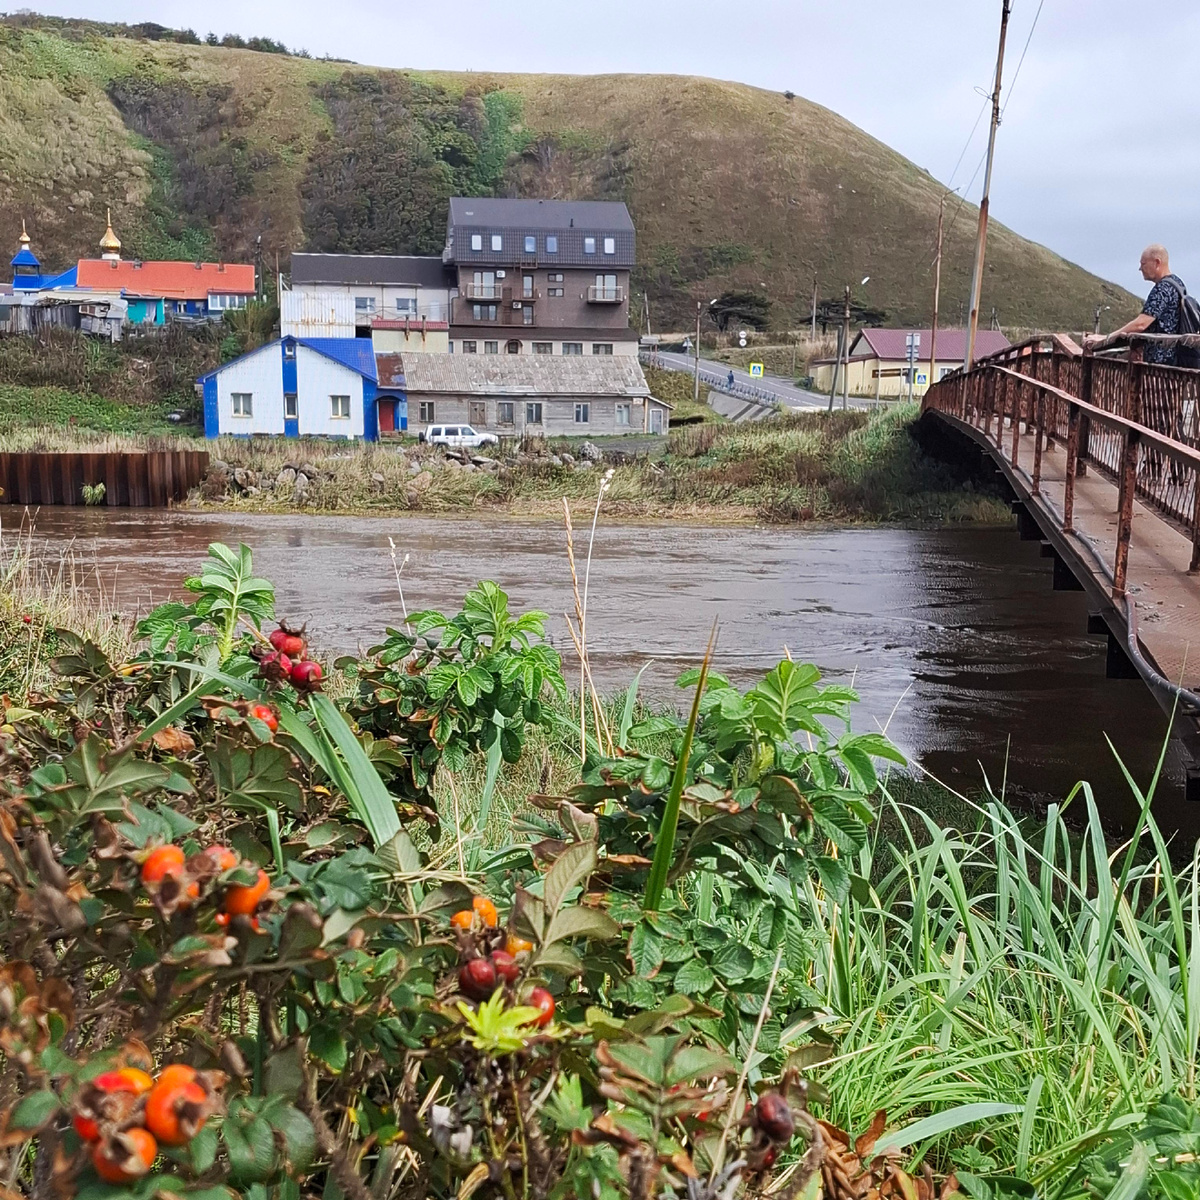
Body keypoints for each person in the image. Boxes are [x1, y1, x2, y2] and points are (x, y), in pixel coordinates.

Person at [1085, 244, 1185, 365]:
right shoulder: (1178, 284)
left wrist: (1106, 338)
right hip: (1174, 360)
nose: (1140, 268)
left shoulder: (1163, 289)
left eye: (1143, 264)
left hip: (1159, 363)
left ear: (1157, 262)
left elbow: (1141, 324)